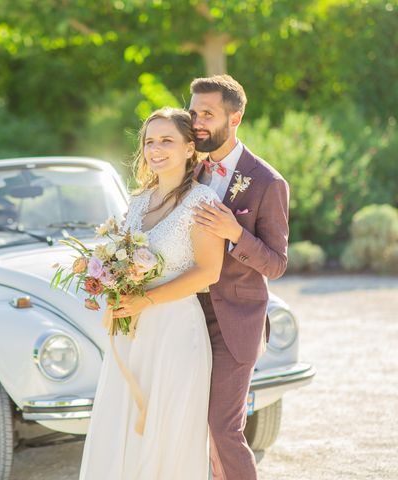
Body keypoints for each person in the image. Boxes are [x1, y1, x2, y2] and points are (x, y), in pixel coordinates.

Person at [79, 107, 225, 479]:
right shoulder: (139, 201)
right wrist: (111, 286)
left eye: (167, 141)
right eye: (149, 141)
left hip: (175, 333)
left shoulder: (202, 202)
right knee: (124, 424)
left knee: (167, 430)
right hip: (133, 330)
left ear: (190, 148)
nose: (156, 149)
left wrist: (146, 300)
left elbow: (209, 272)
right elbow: (123, 259)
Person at [189, 74, 290, 480]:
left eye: (207, 114)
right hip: (186, 316)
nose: (197, 122)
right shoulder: (187, 168)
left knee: (223, 428)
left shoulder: (268, 182)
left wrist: (235, 233)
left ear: (236, 118)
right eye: (193, 112)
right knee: (189, 424)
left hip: (235, 323)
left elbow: (277, 263)